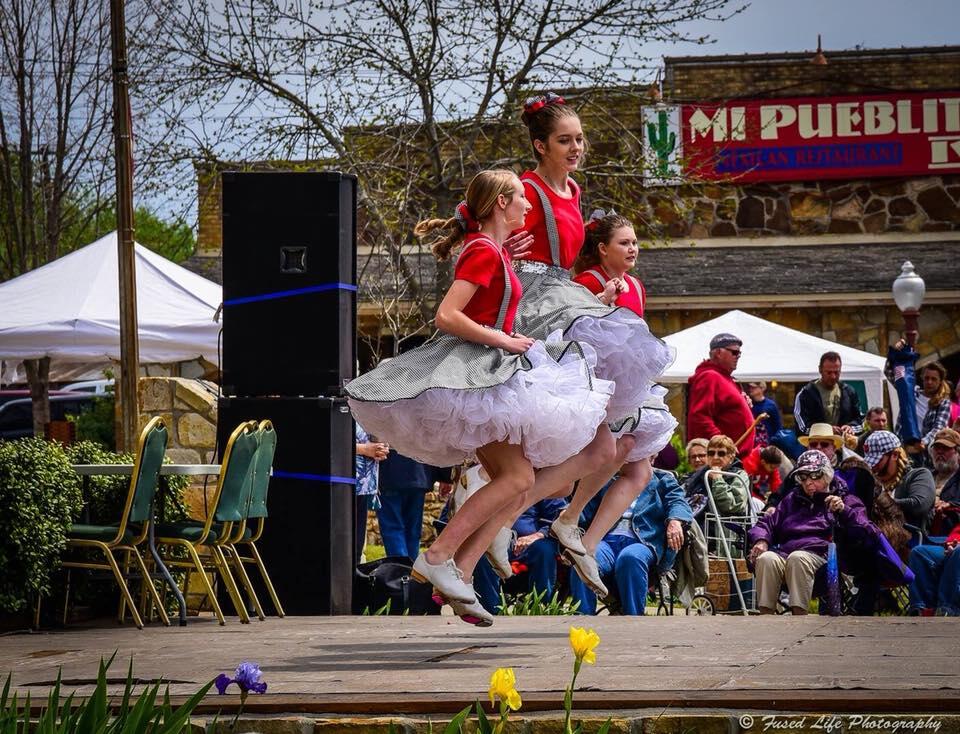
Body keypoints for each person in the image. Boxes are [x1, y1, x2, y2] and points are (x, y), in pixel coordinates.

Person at [345, 169, 613, 627]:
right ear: (501, 204)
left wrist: (508, 263)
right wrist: (503, 340)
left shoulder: (492, 251)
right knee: (516, 479)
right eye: (523, 199)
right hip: (479, 376)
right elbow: (446, 315)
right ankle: (438, 555)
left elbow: (492, 291)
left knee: (522, 481)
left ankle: (460, 573)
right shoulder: (483, 251)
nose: (530, 205)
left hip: (492, 373)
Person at [504, 92, 675, 599]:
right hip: (537, 301)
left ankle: (569, 526)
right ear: (540, 145)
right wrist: (494, 244)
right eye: (564, 140)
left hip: (567, 298)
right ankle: (510, 516)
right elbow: (483, 214)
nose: (576, 146)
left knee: (627, 456)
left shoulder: (574, 190)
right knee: (587, 443)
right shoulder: (527, 188)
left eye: (579, 138)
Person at [748, 450, 879, 615]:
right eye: (803, 476)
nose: (808, 482)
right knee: (767, 558)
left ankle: (799, 617)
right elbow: (767, 523)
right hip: (786, 555)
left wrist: (844, 511)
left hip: (823, 559)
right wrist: (762, 540)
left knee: (798, 558)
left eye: (814, 475)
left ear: (827, 474)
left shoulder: (845, 499)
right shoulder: (792, 499)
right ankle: (766, 617)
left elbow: (867, 531)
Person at [568, 466, 693, 615]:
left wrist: (675, 521)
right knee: (582, 559)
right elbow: (584, 511)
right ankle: (581, 621)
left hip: (642, 541)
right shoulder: (607, 477)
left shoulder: (663, 479)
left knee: (630, 557)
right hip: (605, 540)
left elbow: (679, 502)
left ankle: (632, 619)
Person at [687, 333, 755, 457]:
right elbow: (700, 416)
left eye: (739, 353)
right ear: (718, 353)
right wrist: (721, 445)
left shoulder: (724, 378)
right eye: (734, 352)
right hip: (722, 458)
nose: (738, 356)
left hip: (732, 457)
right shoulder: (709, 376)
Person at [376, 450, 449, 561]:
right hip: (419, 472)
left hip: (389, 471)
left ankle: (401, 570)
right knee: (412, 530)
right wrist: (445, 476)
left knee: (392, 527)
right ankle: (410, 569)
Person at [862, 430, 935, 535]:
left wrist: (881, 503)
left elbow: (919, 505)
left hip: (910, 540)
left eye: (878, 460)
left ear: (895, 455)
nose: (873, 466)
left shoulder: (919, 475)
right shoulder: (870, 481)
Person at [794, 351, 864, 438]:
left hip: (844, 446)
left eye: (836, 372)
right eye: (829, 372)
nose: (833, 376)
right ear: (820, 370)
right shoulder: (806, 394)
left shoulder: (849, 391)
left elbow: (860, 420)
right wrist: (826, 430)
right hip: (817, 445)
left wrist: (851, 428)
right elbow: (802, 427)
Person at [908, 524, 960, 616]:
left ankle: (948, 609)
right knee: (919, 553)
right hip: (953, 546)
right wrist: (952, 542)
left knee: (958, 552)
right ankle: (922, 609)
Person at [355, 423, 389, 561]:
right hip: (338, 480)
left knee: (356, 546)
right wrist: (364, 449)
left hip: (363, 485)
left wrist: (380, 449)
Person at [930, 428, 960, 536]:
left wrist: (949, 506)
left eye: (945, 448)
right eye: (937, 448)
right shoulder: (926, 475)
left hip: (949, 538)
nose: (940, 451)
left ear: (957, 452)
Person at [745, 382, 783, 449]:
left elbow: (778, 426)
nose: (750, 389)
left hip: (768, 444)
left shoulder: (771, 405)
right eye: (749, 387)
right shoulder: (747, 404)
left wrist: (774, 442)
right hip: (752, 444)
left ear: (762, 388)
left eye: (753, 387)